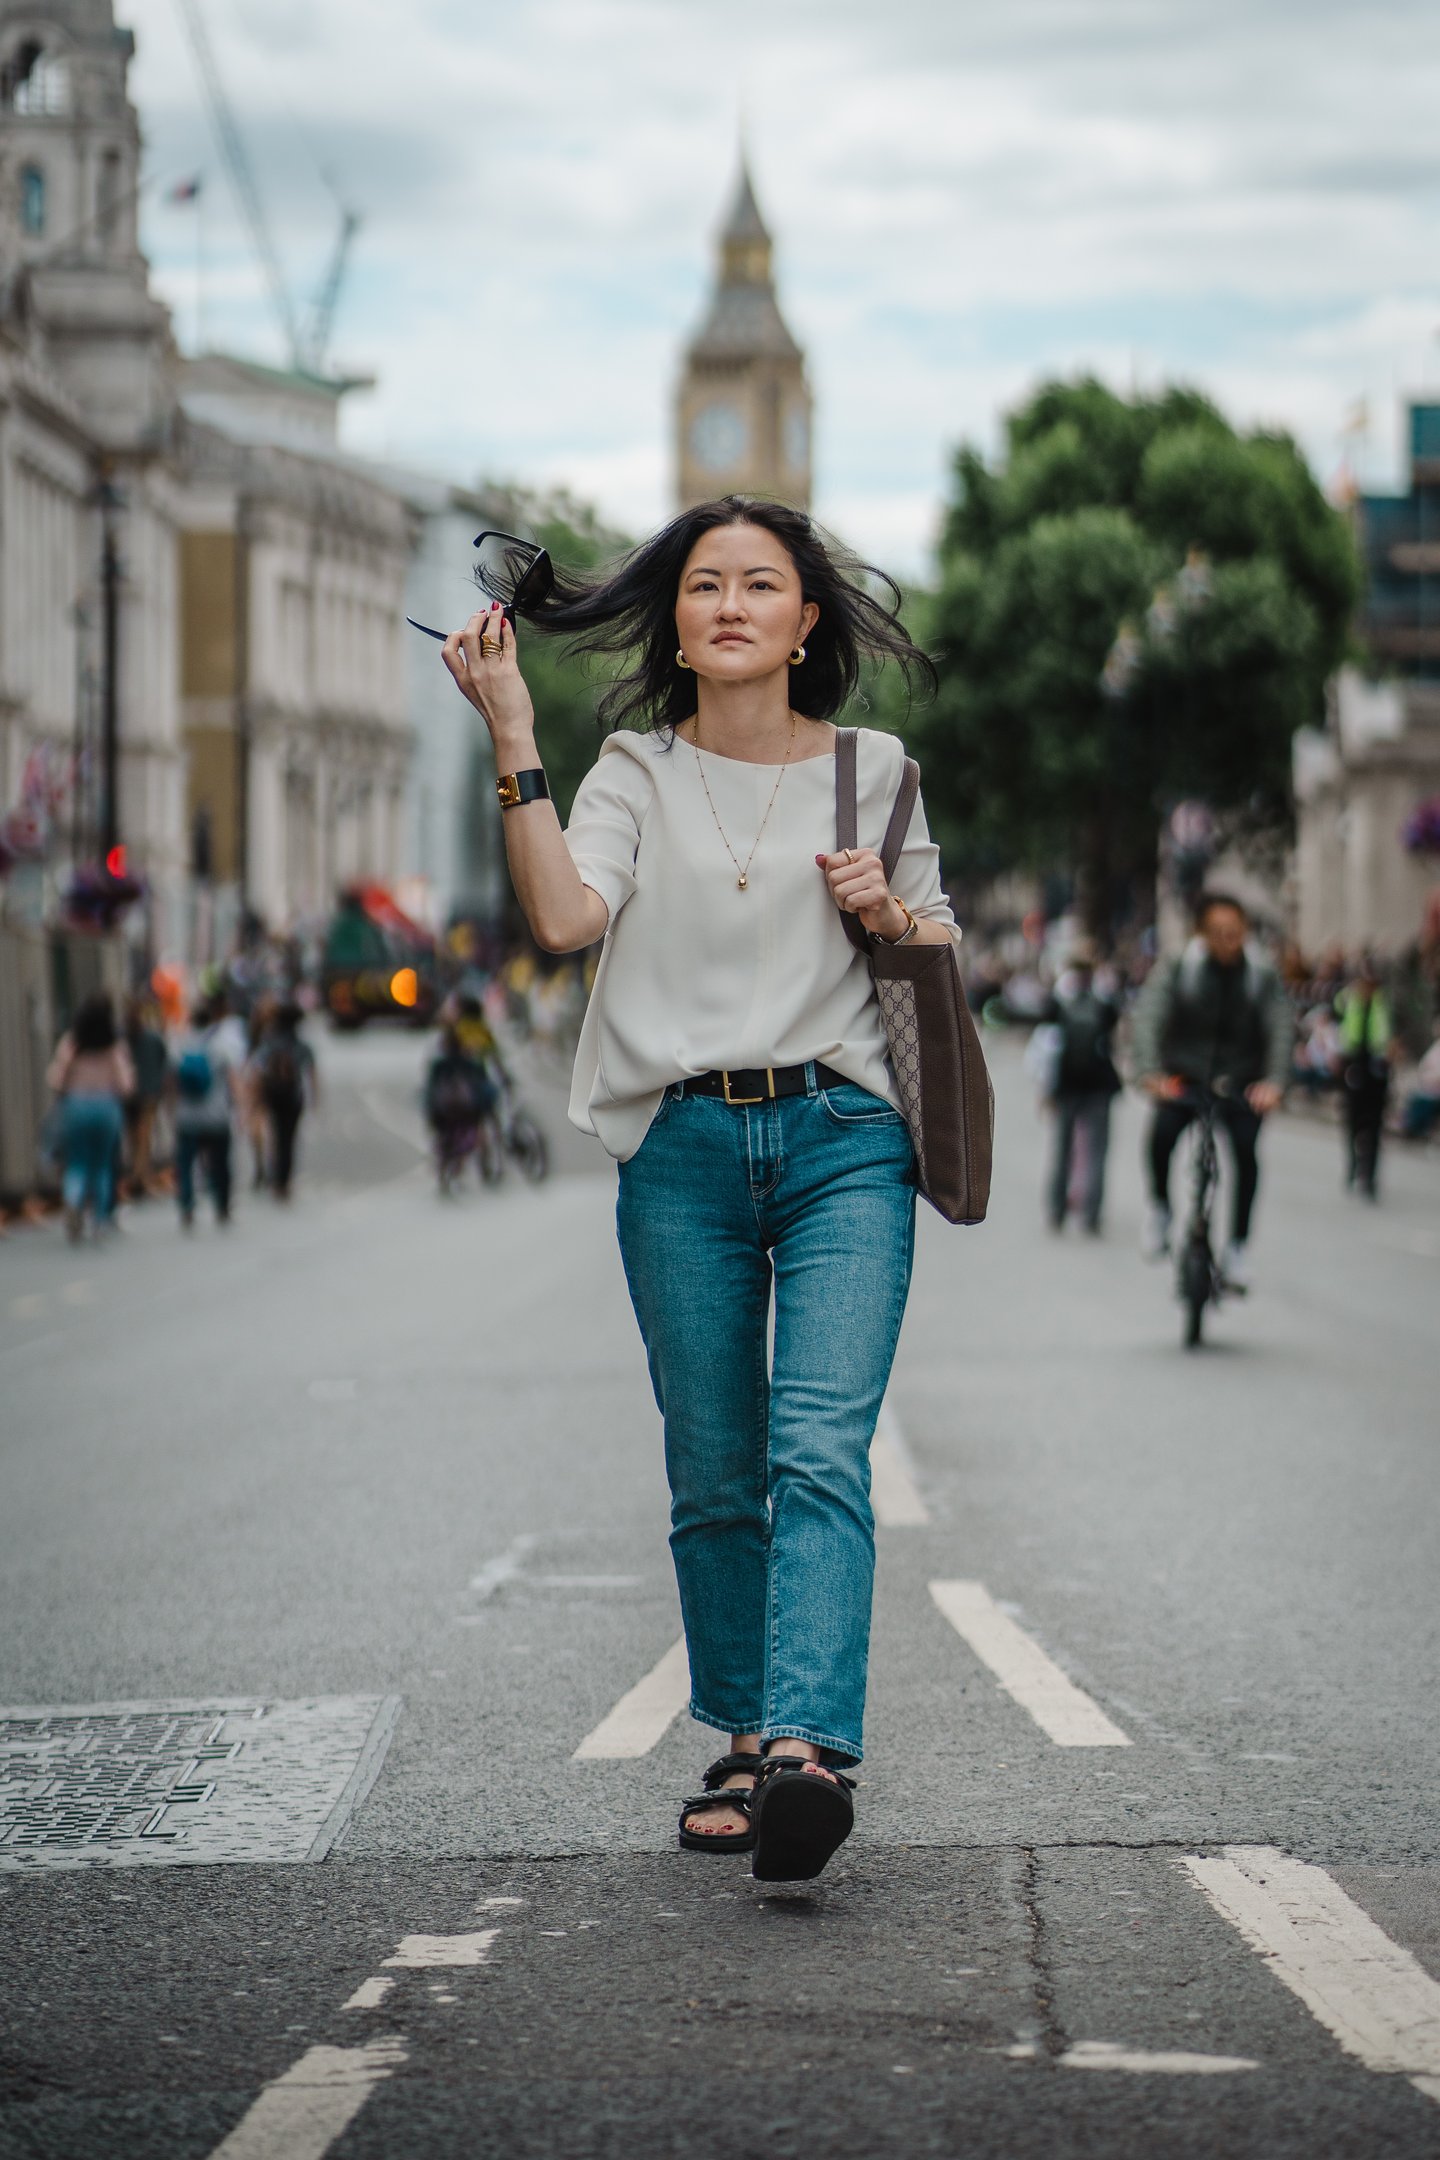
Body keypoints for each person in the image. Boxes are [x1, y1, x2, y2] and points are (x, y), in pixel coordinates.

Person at [440, 495, 955, 1881]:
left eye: (760, 584)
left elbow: (936, 943)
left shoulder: (873, 772)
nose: (730, 604)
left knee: (819, 1447)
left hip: (846, 1139)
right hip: (681, 1150)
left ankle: (804, 1749)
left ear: (805, 622)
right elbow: (564, 918)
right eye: (705, 584)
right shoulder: (633, 773)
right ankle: (742, 1732)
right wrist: (512, 734)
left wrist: (884, 910)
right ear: (675, 623)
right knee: (715, 1467)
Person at [1131, 892, 1292, 1291]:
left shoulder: (1260, 974)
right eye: (1217, 932)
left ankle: (1237, 1247)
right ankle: (1160, 1210)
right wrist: (1151, 1073)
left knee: (1246, 1154)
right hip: (1185, 1078)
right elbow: (1149, 1016)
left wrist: (1274, 1082)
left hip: (1241, 1082)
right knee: (1161, 1136)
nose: (1227, 940)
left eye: (1234, 932)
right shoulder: (1179, 968)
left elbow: (1280, 1027)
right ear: (1201, 933)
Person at [1039, 938, 1122, 1235]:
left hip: (1067, 1083)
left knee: (1062, 1149)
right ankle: (1092, 1214)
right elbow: (1113, 1034)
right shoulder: (1105, 1000)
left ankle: (1056, 1209)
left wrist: (1045, 1089)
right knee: (1097, 1150)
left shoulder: (1058, 1001)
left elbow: (1046, 1047)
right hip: (1099, 1084)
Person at [46, 993, 134, 1241]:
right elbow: (125, 1084)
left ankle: (73, 1202)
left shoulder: (72, 1042)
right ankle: (99, 1219)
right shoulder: (113, 1045)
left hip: (76, 1105)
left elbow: (56, 1078)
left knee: (77, 1162)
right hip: (106, 1106)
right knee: (103, 1165)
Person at [170, 1001, 238, 1228]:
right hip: (217, 1115)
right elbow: (232, 1080)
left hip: (187, 1116)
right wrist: (239, 1108)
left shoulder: (181, 1046)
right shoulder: (220, 1046)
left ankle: (187, 1206)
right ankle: (222, 1207)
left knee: (186, 1164)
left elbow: (171, 1082)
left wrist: (171, 1109)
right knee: (220, 1163)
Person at [1334, 958, 1393, 1198]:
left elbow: (1407, 1028)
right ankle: (1353, 1165)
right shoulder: (1347, 1000)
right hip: (1354, 1064)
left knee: (1374, 1125)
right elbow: (1333, 1020)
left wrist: (1398, 1047)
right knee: (1353, 1121)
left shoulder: (1387, 1003)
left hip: (1378, 1068)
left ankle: (1370, 1175)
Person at [253, 1002, 317, 1200]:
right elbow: (311, 1073)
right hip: (293, 1096)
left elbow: (258, 1069)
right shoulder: (301, 1045)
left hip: (273, 1095)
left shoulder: (271, 1042)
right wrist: (315, 1098)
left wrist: (256, 1098)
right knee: (288, 1139)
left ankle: (274, 1176)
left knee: (276, 1136)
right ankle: (284, 1180)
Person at [122, 995, 169, 1195]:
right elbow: (164, 1061)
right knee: (140, 1136)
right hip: (141, 1093)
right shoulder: (145, 1038)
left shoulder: (126, 1039)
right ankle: (140, 1175)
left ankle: (139, 1175)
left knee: (139, 1136)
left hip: (139, 1094)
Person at [1401, 1021, 1440, 1141]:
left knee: (1423, 1100)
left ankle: (1416, 1129)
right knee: (1415, 1096)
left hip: (1434, 1089)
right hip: (1427, 1086)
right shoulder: (1435, 1047)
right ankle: (1412, 1127)